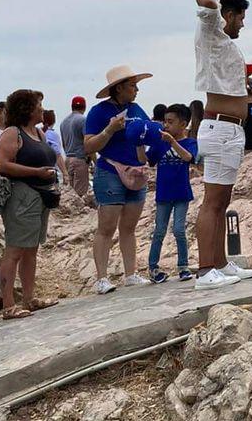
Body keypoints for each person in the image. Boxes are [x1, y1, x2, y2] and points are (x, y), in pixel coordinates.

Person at [187, 0, 252, 289]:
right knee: (213, 202)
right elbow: (207, 0)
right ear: (228, 16)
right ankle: (204, 270)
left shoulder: (221, 37)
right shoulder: (211, 27)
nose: (243, 24)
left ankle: (219, 262)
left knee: (223, 199)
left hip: (231, 129)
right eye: (241, 17)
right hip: (219, 128)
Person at [83, 67, 154, 295]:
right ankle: (102, 278)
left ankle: (130, 273)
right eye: (132, 85)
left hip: (136, 170)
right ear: (119, 87)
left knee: (129, 227)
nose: (136, 90)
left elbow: (146, 135)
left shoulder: (136, 109)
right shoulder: (98, 112)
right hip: (110, 170)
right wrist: (109, 130)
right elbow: (89, 145)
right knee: (106, 226)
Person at [0, 88, 61, 315]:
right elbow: (2, 165)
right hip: (22, 196)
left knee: (31, 249)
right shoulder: (13, 133)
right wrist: (36, 172)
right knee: (14, 250)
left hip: (40, 196)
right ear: (27, 109)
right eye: (38, 105)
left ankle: (29, 298)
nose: (42, 108)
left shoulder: (39, 133)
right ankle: (8, 305)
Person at [148, 103, 198, 282]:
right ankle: (153, 267)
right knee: (159, 230)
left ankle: (183, 266)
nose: (166, 126)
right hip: (163, 193)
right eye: (164, 122)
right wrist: (139, 143)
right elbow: (147, 160)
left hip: (181, 193)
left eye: (170, 122)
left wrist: (173, 142)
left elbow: (188, 158)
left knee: (179, 230)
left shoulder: (190, 142)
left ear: (183, 124)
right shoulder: (159, 144)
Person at [60, 96, 91, 201]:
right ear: (85, 107)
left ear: (72, 107)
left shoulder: (63, 122)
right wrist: (95, 162)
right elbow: (88, 143)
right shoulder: (83, 120)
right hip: (80, 159)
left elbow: (64, 144)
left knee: (71, 195)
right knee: (80, 194)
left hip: (68, 159)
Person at [42, 109, 69, 183]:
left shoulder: (38, 131)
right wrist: (65, 173)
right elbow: (57, 155)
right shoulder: (53, 135)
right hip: (50, 172)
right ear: (54, 120)